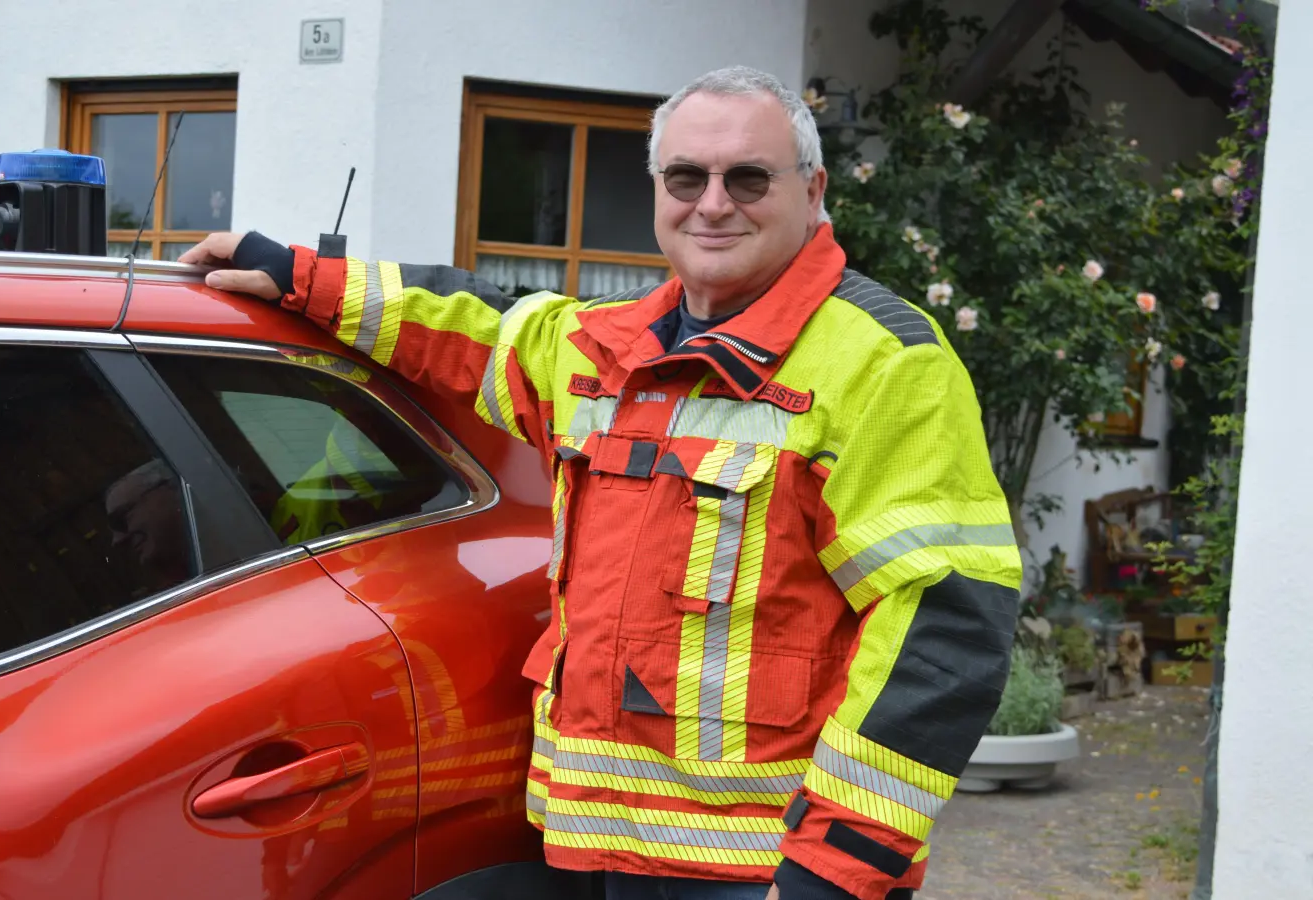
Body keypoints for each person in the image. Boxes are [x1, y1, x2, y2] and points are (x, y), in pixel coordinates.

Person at [179, 65, 1021, 900]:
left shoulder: (888, 364)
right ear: (658, 188)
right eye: (686, 176)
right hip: (591, 852)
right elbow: (471, 327)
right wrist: (297, 276)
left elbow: (941, 638)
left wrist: (830, 876)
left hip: (764, 874)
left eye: (749, 177)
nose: (714, 203)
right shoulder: (604, 348)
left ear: (814, 189)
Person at [104, 459, 191, 589]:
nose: (117, 540)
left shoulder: (228, 542)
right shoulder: (176, 590)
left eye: (121, 518)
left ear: (171, 489)